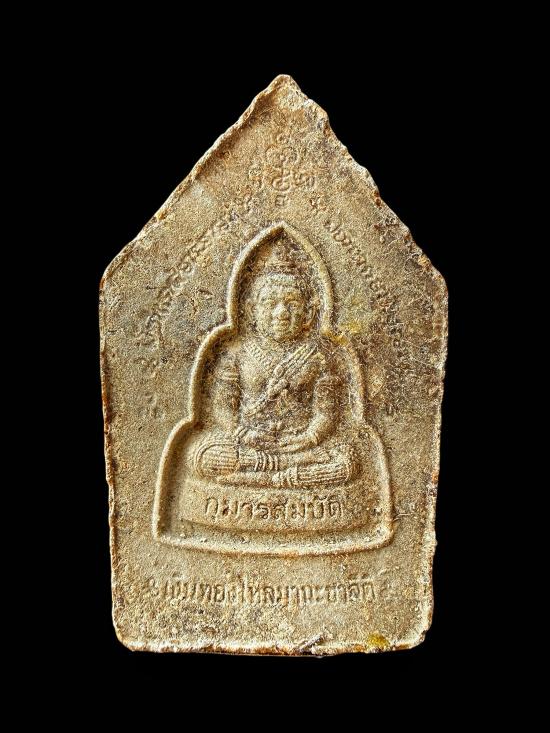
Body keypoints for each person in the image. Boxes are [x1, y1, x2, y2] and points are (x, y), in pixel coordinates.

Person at [190, 238, 360, 489]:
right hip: (250, 444)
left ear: (308, 314)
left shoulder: (318, 358)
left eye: (292, 304)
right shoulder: (237, 355)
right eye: (270, 304)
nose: (281, 313)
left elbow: (326, 413)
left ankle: (265, 475)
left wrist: (309, 438)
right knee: (201, 455)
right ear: (251, 311)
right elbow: (223, 407)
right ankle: (282, 473)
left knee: (348, 459)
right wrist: (241, 433)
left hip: (300, 446)